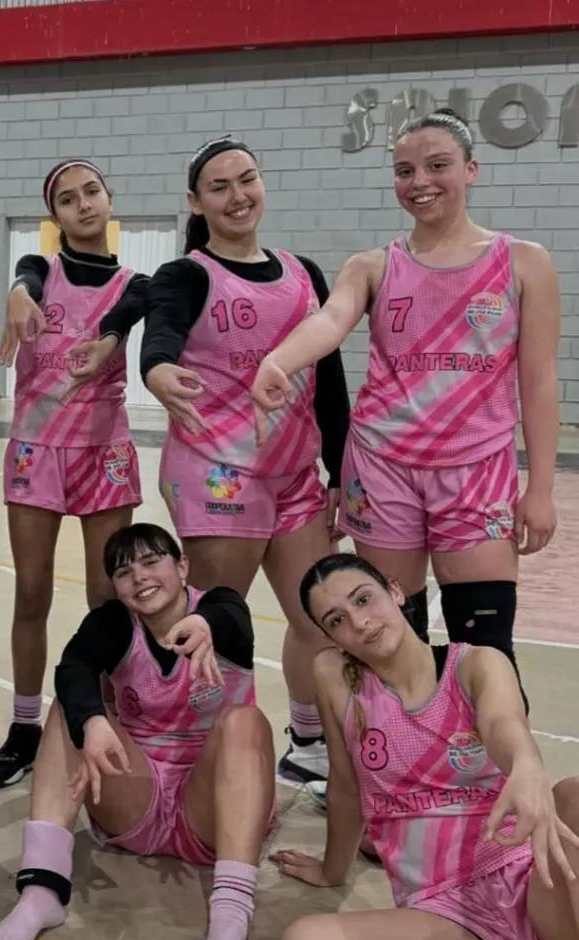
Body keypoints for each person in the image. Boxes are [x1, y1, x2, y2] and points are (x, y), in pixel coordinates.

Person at [277, 552, 579, 940]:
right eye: (336, 620)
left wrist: (526, 764)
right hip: (453, 926)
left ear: (395, 591)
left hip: (539, 887)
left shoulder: (474, 663)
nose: (358, 622)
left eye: (363, 599)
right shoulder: (336, 678)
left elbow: (504, 722)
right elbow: (345, 784)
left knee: (573, 794)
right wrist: (333, 870)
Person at [254, 110, 559, 708]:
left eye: (437, 165)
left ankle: (489, 762)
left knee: (486, 643)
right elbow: (330, 321)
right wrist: (278, 361)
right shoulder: (372, 266)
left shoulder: (523, 262)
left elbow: (540, 382)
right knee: (394, 641)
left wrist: (541, 487)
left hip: (476, 470)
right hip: (382, 468)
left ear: (471, 170)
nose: (420, 181)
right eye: (404, 171)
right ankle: (402, 758)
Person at [79, 136, 351, 799]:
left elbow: (331, 377)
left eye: (246, 179)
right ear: (196, 201)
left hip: (294, 473)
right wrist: (157, 369)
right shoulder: (187, 273)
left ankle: (307, 747)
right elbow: (161, 332)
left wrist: (341, 470)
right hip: (218, 471)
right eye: (219, 186)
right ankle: (195, 756)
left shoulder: (304, 273)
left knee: (318, 620)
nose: (237, 195)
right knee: (213, 625)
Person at [0, 522, 276, 940]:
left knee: (245, 722)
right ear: (115, 586)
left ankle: (228, 922)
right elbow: (73, 666)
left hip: (212, 809)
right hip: (139, 794)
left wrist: (206, 626)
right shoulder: (114, 623)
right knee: (70, 710)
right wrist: (93, 721)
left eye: (152, 561)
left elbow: (232, 617)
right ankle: (42, 889)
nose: (139, 576)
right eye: (124, 571)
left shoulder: (219, 608)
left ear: (183, 566)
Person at [0, 158, 149, 790]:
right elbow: (25, 276)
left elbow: (130, 308)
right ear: (54, 216)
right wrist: (17, 294)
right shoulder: (39, 271)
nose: (83, 205)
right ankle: (25, 725)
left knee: (107, 596)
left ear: (109, 198)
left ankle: (98, 718)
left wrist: (108, 339)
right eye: (69, 199)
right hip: (37, 449)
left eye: (92, 192)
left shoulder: (136, 281)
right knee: (31, 591)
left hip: (104, 449)